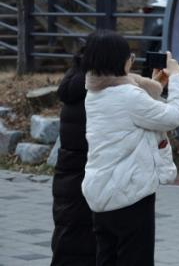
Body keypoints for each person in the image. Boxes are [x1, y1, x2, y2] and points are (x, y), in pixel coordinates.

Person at [80, 30, 179, 266]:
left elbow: (142, 113)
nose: (131, 60)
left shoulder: (94, 92)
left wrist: (155, 85)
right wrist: (177, 78)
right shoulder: (128, 96)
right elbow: (174, 116)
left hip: (101, 193)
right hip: (129, 195)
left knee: (107, 258)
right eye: (129, 56)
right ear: (119, 61)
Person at [51, 50, 95, 266]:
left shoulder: (74, 85)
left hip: (67, 173)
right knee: (81, 238)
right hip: (84, 173)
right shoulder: (93, 95)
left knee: (68, 232)